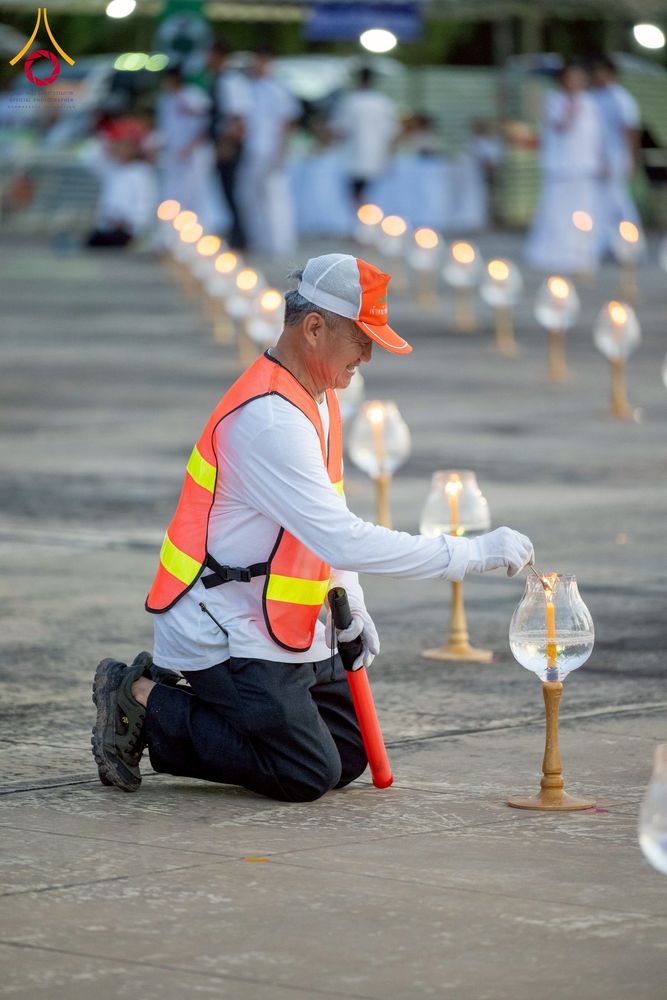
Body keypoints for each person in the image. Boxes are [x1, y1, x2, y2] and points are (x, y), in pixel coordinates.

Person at [91, 254, 534, 802]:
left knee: (346, 756)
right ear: (315, 327)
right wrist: (469, 554)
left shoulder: (315, 397)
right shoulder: (269, 419)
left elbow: (331, 522)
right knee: (304, 772)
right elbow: (341, 536)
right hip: (224, 626)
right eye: (361, 338)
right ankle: (140, 697)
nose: (368, 355)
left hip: (278, 617)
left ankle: (209, 719)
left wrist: (352, 601)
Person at [524, 61, 603, 273]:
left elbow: (595, 136)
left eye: (579, 78)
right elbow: (560, 126)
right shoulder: (553, 100)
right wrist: (570, 104)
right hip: (559, 166)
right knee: (555, 212)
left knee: (584, 213)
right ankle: (551, 253)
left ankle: (581, 254)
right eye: (571, 78)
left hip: (584, 166)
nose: (576, 82)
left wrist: (601, 159)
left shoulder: (590, 102)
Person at [237, 49, 300, 256]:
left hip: (271, 149)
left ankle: (280, 243)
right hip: (252, 149)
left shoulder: (278, 89)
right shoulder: (248, 87)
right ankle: (260, 239)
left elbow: (286, 122)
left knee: (275, 196)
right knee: (251, 196)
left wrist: (281, 152)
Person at [589, 55, 642, 256]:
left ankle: (631, 245)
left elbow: (630, 130)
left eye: (599, 72)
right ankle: (606, 244)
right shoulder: (594, 96)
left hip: (616, 158)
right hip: (597, 159)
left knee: (618, 202)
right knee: (602, 203)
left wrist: (632, 160)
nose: (595, 76)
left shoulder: (621, 98)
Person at [156, 66, 217, 229]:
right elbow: (167, 129)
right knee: (173, 195)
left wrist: (192, 146)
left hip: (195, 154)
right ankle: (173, 235)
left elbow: (208, 124)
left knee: (196, 194)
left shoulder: (194, 96)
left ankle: (201, 231)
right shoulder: (166, 100)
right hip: (174, 155)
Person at [329, 66, 399, 206]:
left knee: (356, 193)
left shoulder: (350, 102)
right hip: (377, 156)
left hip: (353, 156)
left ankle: (364, 222)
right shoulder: (383, 103)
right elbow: (392, 132)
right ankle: (369, 222)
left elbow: (339, 129)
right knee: (373, 193)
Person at [206, 41, 251, 249]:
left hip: (229, 143)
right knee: (227, 190)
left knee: (231, 190)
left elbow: (237, 117)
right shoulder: (222, 79)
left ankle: (240, 235)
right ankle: (237, 233)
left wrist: (226, 145)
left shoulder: (229, 81)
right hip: (225, 141)